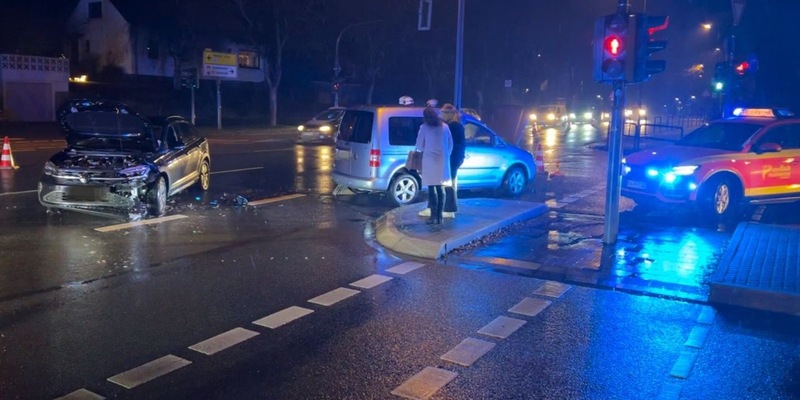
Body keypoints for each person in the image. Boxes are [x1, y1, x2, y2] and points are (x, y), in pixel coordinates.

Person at [415, 106, 453, 224]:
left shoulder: (424, 127)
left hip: (429, 160)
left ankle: (433, 216)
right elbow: (450, 144)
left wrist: (427, 149)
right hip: (442, 160)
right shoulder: (445, 127)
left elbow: (419, 145)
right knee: (441, 188)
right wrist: (445, 154)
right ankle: (440, 217)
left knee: (432, 188)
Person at [440, 103, 466, 217]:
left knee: (449, 183)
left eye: (444, 112)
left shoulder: (453, 126)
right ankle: (448, 208)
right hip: (453, 158)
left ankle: (449, 209)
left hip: (451, 159)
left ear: (449, 114)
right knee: (449, 183)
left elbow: (451, 144)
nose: (442, 115)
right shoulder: (455, 126)